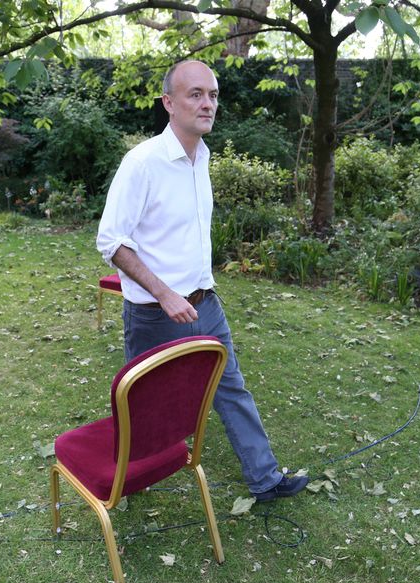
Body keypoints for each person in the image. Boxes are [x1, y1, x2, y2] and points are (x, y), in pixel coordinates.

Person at [96, 60, 308, 502]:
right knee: (148, 405)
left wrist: (198, 285)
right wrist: (165, 293)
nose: (207, 103)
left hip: (206, 305)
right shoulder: (142, 163)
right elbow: (111, 242)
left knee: (230, 388)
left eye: (212, 94)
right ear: (169, 104)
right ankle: (128, 482)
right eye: (195, 94)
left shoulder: (202, 157)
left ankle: (265, 479)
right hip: (155, 315)